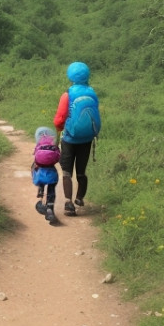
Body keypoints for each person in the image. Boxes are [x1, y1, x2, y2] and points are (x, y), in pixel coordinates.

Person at [54, 61, 101, 217]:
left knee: (67, 172)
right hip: (87, 138)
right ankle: (79, 198)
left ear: (70, 76)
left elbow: (60, 118)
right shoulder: (92, 92)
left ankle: (69, 203)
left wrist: (59, 128)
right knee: (81, 171)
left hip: (70, 138)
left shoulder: (68, 94)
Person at [31, 126, 61, 224]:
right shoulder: (54, 147)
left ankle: (41, 190)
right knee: (51, 190)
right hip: (52, 173)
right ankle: (50, 209)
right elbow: (58, 158)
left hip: (40, 174)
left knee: (37, 172)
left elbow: (35, 159)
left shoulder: (38, 146)